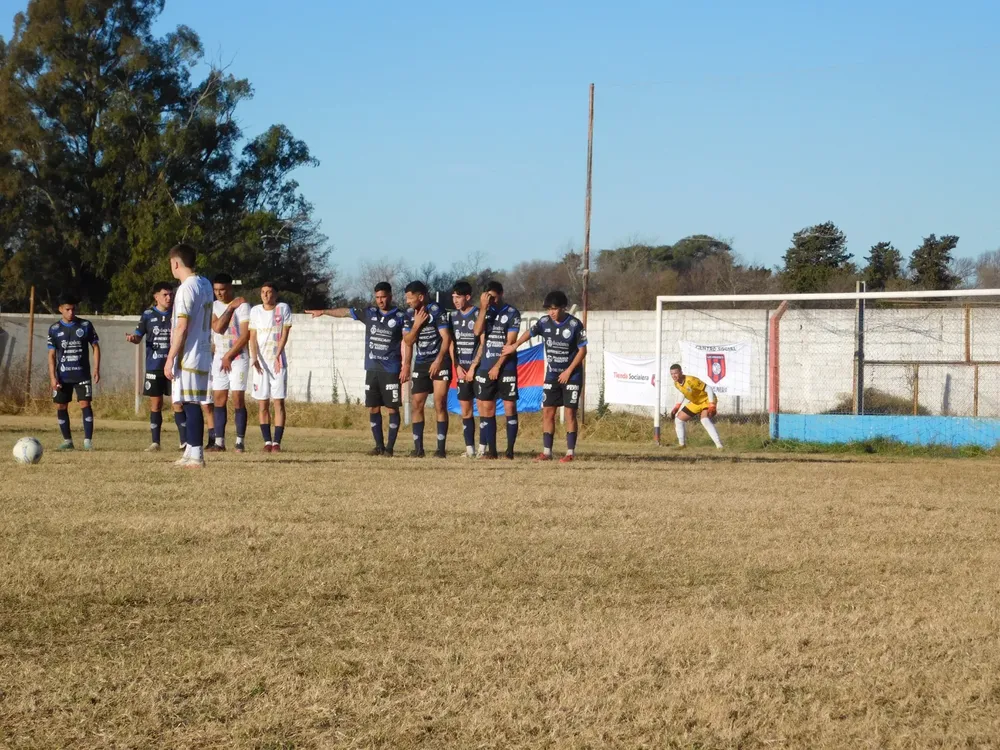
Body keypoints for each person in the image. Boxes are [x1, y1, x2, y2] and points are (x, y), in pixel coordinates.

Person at [306, 282, 408, 456]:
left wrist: (405, 364)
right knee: (373, 407)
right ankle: (379, 446)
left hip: (391, 369)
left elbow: (406, 342)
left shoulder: (400, 316)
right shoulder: (370, 313)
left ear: (390, 296)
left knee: (392, 408)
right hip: (372, 368)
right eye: (377, 297)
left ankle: (390, 448)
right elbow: (346, 312)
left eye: (383, 297)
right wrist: (323, 312)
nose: (380, 301)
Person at [503, 290, 587, 462]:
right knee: (548, 411)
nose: (551, 312)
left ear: (563, 308)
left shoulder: (574, 325)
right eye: (549, 309)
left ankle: (570, 453)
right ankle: (547, 452)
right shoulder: (544, 322)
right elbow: (530, 333)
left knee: (570, 413)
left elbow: (582, 350)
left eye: (554, 309)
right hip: (552, 374)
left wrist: (569, 371)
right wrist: (515, 345)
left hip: (572, 374)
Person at [163, 243, 214, 468]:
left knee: (192, 403)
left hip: (189, 353)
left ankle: (197, 455)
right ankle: (191, 451)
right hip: (202, 351)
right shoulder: (205, 283)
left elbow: (182, 326)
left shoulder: (186, 288)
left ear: (175, 263)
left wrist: (170, 356)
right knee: (188, 401)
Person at [126, 282, 185, 451]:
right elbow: (138, 336)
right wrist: (133, 339)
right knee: (156, 404)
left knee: (178, 403)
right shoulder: (147, 315)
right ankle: (155, 442)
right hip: (154, 366)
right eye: (165, 295)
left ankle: (184, 441)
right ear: (156, 297)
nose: (169, 298)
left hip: (174, 366)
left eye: (170, 295)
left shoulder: (177, 313)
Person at [402, 281, 452, 458]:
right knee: (417, 404)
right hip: (422, 363)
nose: (407, 301)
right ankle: (418, 449)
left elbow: (446, 338)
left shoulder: (437, 310)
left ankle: (440, 449)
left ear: (420, 297)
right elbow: (408, 341)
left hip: (440, 361)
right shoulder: (409, 314)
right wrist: (416, 325)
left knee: (439, 402)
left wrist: (438, 360)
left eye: (410, 298)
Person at [473, 281, 521, 459]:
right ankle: (492, 451)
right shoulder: (484, 312)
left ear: (501, 294)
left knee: (509, 406)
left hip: (505, 366)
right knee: (487, 408)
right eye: (488, 296)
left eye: (493, 296)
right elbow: (477, 332)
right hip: (486, 366)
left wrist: (498, 366)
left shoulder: (512, 313)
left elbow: (510, 343)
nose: (491, 300)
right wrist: (483, 309)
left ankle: (509, 451)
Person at [48, 296, 100, 451]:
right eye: (67, 309)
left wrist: (96, 369)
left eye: (73, 309)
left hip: (82, 375)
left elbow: (95, 347)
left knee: (85, 403)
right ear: (60, 309)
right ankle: (67, 441)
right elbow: (51, 354)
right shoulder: (54, 329)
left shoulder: (85, 325)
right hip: (62, 376)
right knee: (61, 405)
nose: (71, 312)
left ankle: (87, 441)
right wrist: (52, 377)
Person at [209, 274, 251, 452]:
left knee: (237, 399)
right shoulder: (214, 306)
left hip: (238, 358)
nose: (219, 293)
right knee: (219, 398)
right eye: (216, 290)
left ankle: (240, 440)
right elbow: (217, 328)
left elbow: (245, 335)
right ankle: (219, 441)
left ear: (230, 288)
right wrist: (230, 307)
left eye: (223, 289)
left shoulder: (243, 306)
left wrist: (229, 355)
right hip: (220, 357)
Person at [248, 282, 293, 453]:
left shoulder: (283, 309)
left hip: (277, 362)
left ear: (276, 294)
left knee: (278, 401)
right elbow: (252, 337)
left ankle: (277, 442)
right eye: (263, 292)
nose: (266, 295)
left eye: (269, 292)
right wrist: (254, 358)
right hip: (260, 363)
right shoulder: (255, 311)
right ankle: (267, 441)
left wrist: (277, 355)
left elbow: (285, 334)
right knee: (262, 403)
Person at [449, 281, 484, 458]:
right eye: (453, 297)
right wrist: (457, 366)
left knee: (484, 408)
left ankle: (483, 449)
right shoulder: (452, 317)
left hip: (477, 370)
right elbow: (451, 344)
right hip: (461, 370)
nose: (455, 300)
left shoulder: (478, 314)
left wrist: (473, 367)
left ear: (467, 297)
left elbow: (483, 344)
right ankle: (469, 449)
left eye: (458, 297)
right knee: (466, 409)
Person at [669, 364, 724, 449]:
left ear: (681, 372)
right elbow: (683, 392)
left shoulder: (691, 380)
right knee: (678, 420)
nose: (674, 375)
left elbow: (709, 389)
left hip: (707, 400)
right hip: (696, 402)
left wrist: (711, 404)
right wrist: (677, 406)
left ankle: (719, 446)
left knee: (704, 420)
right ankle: (682, 445)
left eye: (675, 373)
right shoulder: (676, 383)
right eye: (672, 374)